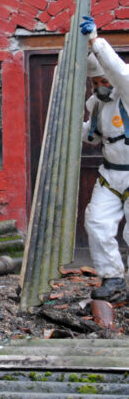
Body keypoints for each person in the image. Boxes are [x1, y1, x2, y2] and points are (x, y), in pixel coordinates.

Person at [80, 15, 128, 302]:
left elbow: (120, 71)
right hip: (110, 174)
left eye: (103, 79)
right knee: (96, 222)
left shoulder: (126, 91)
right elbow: (90, 136)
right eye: (95, 81)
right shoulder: (97, 105)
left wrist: (96, 43)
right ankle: (113, 279)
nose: (101, 85)